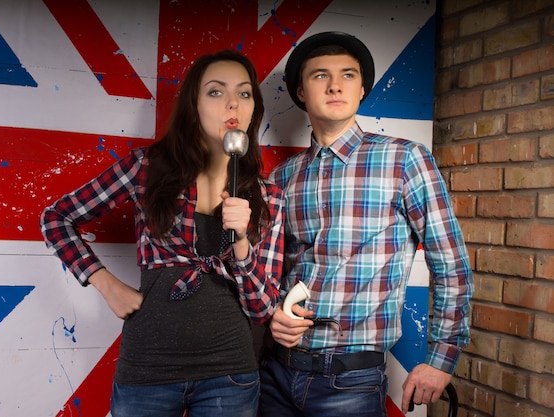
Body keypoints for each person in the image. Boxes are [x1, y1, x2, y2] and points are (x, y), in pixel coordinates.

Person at [41, 50, 285, 417]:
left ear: (253, 109)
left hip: (230, 375)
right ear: (194, 105)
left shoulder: (268, 198)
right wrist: (106, 284)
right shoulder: (147, 168)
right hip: (147, 369)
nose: (233, 102)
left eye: (245, 93)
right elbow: (57, 218)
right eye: (216, 92)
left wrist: (240, 241)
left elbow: (262, 308)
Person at [259, 31, 473, 417]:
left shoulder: (404, 159)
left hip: (350, 382)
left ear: (362, 90)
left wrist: (441, 359)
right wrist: (273, 314)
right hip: (275, 374)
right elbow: (268, 271)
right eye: (320, 75)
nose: (336, 84)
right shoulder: (281, 177)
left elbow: (451, 263)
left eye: (348, 75)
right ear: (301, 91)